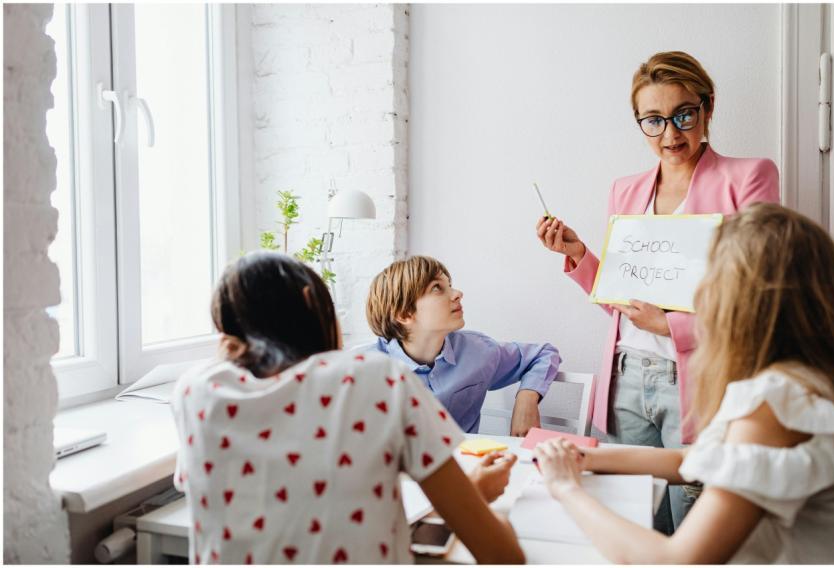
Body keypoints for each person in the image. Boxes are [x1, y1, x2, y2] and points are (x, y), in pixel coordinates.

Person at [535, 50, 779, 531]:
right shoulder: (625, 190)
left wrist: (674, 326)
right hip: (626, 376)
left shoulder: (748, 177)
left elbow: (761, 294)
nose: (671, 134)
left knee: (696, 523)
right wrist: (581, 255)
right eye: (654, 120)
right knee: (637, 520)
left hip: (700, 377)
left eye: (684, 115)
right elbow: (627, 300)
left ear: (708, 108)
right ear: (640, 122)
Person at [534, 203, 834, 564]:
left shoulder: (773, 401)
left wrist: (565, 488)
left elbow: (676, 559)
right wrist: (588, 456)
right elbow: (693, 459)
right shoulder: (803, 378)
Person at [171, 252, 525, 564]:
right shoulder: (378, 378)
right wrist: (474, 501)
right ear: (313, 302)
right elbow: (500, 555)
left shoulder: (197, 393)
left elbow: (310, 515)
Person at [366, 255, 561, 436]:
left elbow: (543, 354)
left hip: (467, 468)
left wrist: (526, 398)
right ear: (404, 314)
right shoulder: (363, 371)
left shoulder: (478, 351)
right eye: (437, 288)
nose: (458, 293)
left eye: (449, 285)